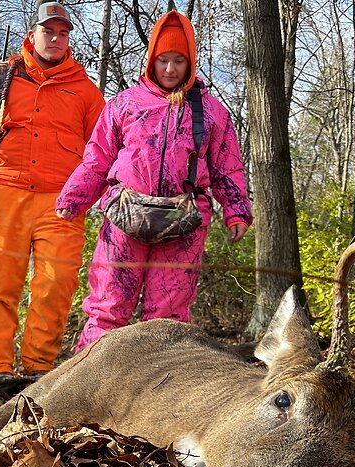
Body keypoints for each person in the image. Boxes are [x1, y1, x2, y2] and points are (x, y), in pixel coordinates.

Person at [56, 10, 252, 351]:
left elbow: (227, 166)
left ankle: (159, 390)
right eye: (163, 60)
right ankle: (88, 381)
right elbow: (97, 157)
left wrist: (236, 211)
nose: (171, 69)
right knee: (107, 306)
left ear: (189, 63)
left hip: (183, 222)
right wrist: (72, 199)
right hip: (125, 214)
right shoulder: (124, 104)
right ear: (152, 61)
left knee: (168, 316)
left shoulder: (211, 112)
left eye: (179, 60)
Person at [0, 2, 105, 378]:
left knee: (56, 285)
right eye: (48, 31)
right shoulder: (1, 77)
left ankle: (38, 371)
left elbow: (104, 149)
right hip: (5, 195)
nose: (55, 38)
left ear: (69, 38)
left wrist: (101, 196)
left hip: (63, 205)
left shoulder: (85, 91)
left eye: (63, 33)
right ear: (33, 33)